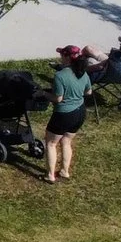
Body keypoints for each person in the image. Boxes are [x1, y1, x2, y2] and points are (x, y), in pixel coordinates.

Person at [47, 46, 92, 184]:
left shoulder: (60, 75)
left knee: (51, 143)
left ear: (67, 57)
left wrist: (44, 94)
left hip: (64, 114)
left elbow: (58, 98)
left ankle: (50, 175)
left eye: (62, 55)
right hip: (80, 112)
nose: (60, 57)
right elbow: (88, 92)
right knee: (66, 142)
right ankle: (65, 171)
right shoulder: (82, 73)